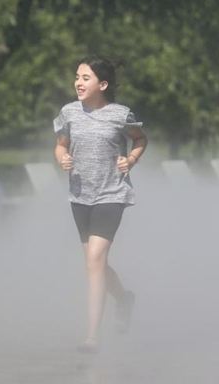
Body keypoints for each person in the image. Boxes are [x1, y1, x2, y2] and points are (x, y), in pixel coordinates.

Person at [53, 55, 148, 354]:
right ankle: (123, 298)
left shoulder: (121, 114)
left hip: (112, 194)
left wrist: (130, 160)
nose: (78, 83)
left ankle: (92, 336)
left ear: (102, 84)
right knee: (96, 264)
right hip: (80, 195)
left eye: (85, 78)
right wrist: (62, 159)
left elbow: (140, 138)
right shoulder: (68, 113)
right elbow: (60, 145)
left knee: (94, 261)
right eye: (77, 77)